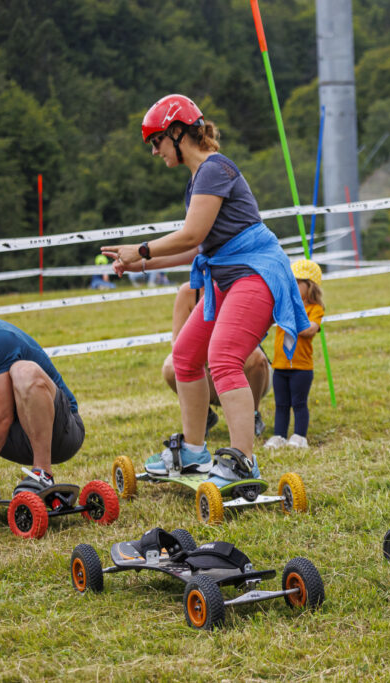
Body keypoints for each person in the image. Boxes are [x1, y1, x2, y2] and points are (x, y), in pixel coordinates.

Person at [102, 93, 309, 487]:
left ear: (178, 132)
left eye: (156, 141)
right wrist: (138, 263)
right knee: (185, 355)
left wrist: (141, 249)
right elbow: (196, 249)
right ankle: (195, 452)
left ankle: (244, 461)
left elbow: (191, 234)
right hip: (226, 280)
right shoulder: (198, 181)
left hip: (255, 275)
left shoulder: (215, 169)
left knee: (224, 357)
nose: (154, 151)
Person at [0, 316, 85, 501]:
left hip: (61, 432)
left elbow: (2, 416)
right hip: (16, 434)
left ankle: (42, 473)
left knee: (24, 372)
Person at [161, 282, 269, 438]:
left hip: (239, 364)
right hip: (205, 366)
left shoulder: (239, 285)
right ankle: (203, 415)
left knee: (256, 357)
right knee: (171, 366)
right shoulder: (189, 292)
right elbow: (177, 342)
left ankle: (253, 415)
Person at [264, 259, 324, 449]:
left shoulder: (315, 309)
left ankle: (299, 437)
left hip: (301, 368)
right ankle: (279, 436)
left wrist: (290, 317)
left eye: (297, 283)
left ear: (310, 286)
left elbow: (310, 330)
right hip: (280, 366)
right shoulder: (283, 306)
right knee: (281, 404)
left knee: (299, 403)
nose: (293, 287)